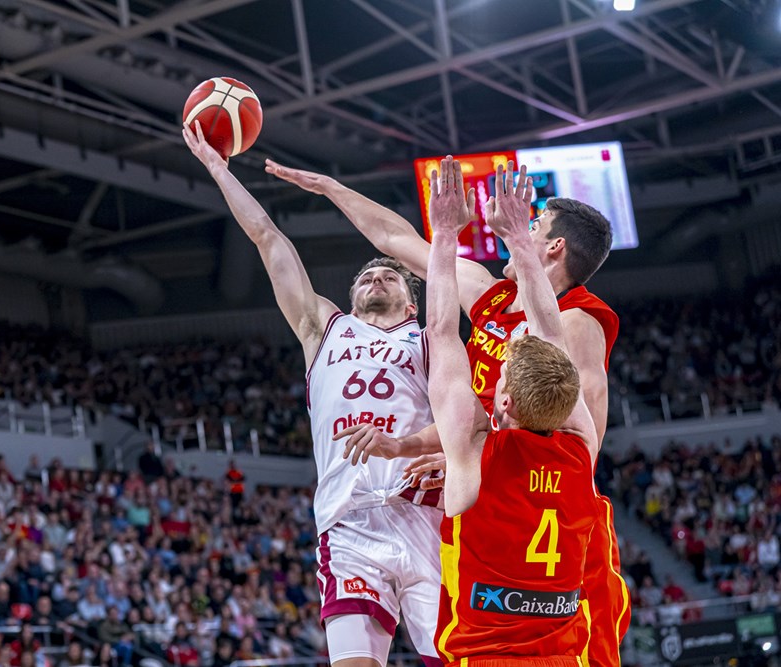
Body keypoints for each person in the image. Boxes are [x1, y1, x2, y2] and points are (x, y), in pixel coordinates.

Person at [268, 159, 630, 666]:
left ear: (553, 247)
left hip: (532, 507)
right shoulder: (492, 296)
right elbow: (397, 240)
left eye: (533, 224)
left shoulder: (579, 321)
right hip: (480, 481)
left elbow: (574, 436)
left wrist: (486, 463)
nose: (521, 228)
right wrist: (331, 187)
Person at [184, 122, 442, 667]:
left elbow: (471, 422)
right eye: (367, 277)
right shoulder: (324, 328)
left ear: (412, 304)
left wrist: (425, 449)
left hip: (426, 518)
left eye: (389, 277)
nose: (376, 278)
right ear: (350, 297)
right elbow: (268, 238)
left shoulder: (431, 339)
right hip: (349, 524)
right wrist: (217, 169)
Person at [424, 158, 600, 663]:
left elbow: (441, 332)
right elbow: (550, 335)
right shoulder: (581, 450)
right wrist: (521, 239)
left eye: (499, 377)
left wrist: (445, 233)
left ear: (502, 401)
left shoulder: (474, 455)